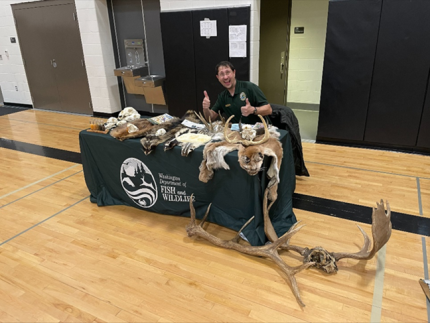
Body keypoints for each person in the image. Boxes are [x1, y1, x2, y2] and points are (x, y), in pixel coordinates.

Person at [202, 61, 272, 124]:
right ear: (218, 77)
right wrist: (206, 109)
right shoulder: (222, 97)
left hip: (259, 133)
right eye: (222, 74)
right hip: (238, 134)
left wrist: (253, 110)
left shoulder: (249, 87)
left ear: (234, 73)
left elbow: (269, 110)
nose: (225, 77)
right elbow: (210, 119)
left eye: (228, 72)